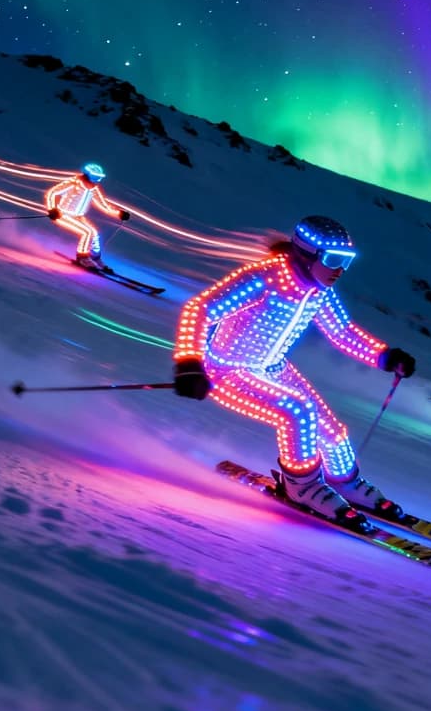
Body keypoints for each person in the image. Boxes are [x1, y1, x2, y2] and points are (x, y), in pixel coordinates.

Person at [172, 215, 416, 526]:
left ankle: (345, 482)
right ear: (306, 253)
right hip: (228, 370)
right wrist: (190, 363)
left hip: (274, 369)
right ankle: (303, 487)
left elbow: (342, 332)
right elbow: (201, 309)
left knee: (331, 430)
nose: (340, 269)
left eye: (346, 261)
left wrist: (386, 356)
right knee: (298, 411)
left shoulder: (319, 291)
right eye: (333, 259)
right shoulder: (264, 279)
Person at [45, 162, 130, 268]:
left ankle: (94, 257)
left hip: (78, 216)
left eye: (99, 177)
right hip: (63, 214)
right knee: (87, 232)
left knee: (95, 234)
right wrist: (52, 209)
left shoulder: (94, 189)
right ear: (87, 174)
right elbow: (52, 193)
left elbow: (104, 205)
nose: (96, 180)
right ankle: (82, 257)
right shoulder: (74, 183)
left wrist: (119, 213)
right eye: (95, 176)